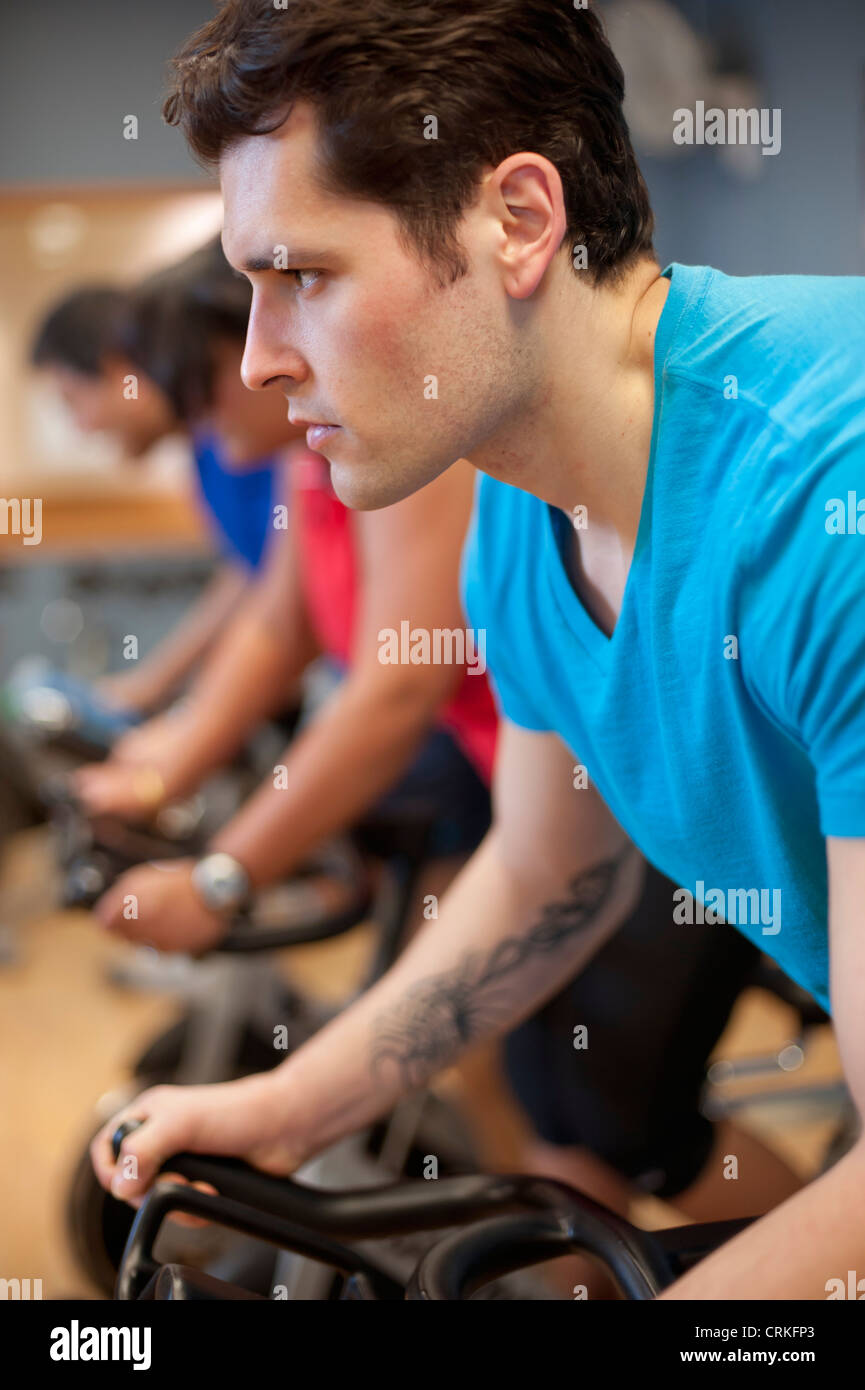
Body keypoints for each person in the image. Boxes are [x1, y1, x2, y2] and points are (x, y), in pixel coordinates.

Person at [90, 0, 862, 1300]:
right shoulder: (519, 503)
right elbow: (541, 873)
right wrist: (289, 1106)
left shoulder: (820, 489)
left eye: (306, 278)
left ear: (516, 221)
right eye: (251, 289)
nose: (263, 358)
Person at [29, 279, 280, 724]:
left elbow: (280, 595)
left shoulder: (250, 435)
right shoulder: (210, 447)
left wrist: (186, 736)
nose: (81, 428)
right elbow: (252, 571)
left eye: (74, 401)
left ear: (119, 370)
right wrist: (153, 686)